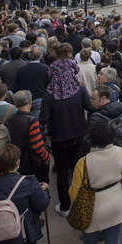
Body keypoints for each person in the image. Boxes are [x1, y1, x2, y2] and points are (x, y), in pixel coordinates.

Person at [41, 42, 92, 217]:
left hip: (59, 138)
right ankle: (81, 200)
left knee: (63, 172)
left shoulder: (49, 95)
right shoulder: (79, 90)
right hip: (78, 134)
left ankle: (65, 206)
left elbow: (44, 118)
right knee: (78, 169)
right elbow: (90, 107)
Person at [68, 122, 122, 244]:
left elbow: (73, 194)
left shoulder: (83, 162)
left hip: (91, 211)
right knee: (113, 241)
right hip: (116, 206)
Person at [7, 90, 50, 183]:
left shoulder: (11, 120)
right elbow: (38, 147)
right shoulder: (32, 121)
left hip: (17, 163)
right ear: (30, 102)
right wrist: (47, 158)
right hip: (32, 165)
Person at [12, 46, 49, 118]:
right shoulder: (46, 69)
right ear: (41, 56)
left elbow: (16, 87)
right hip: (39, 99)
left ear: (29, 55)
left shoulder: (22, 70)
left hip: (24, 100)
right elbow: (49, 86)